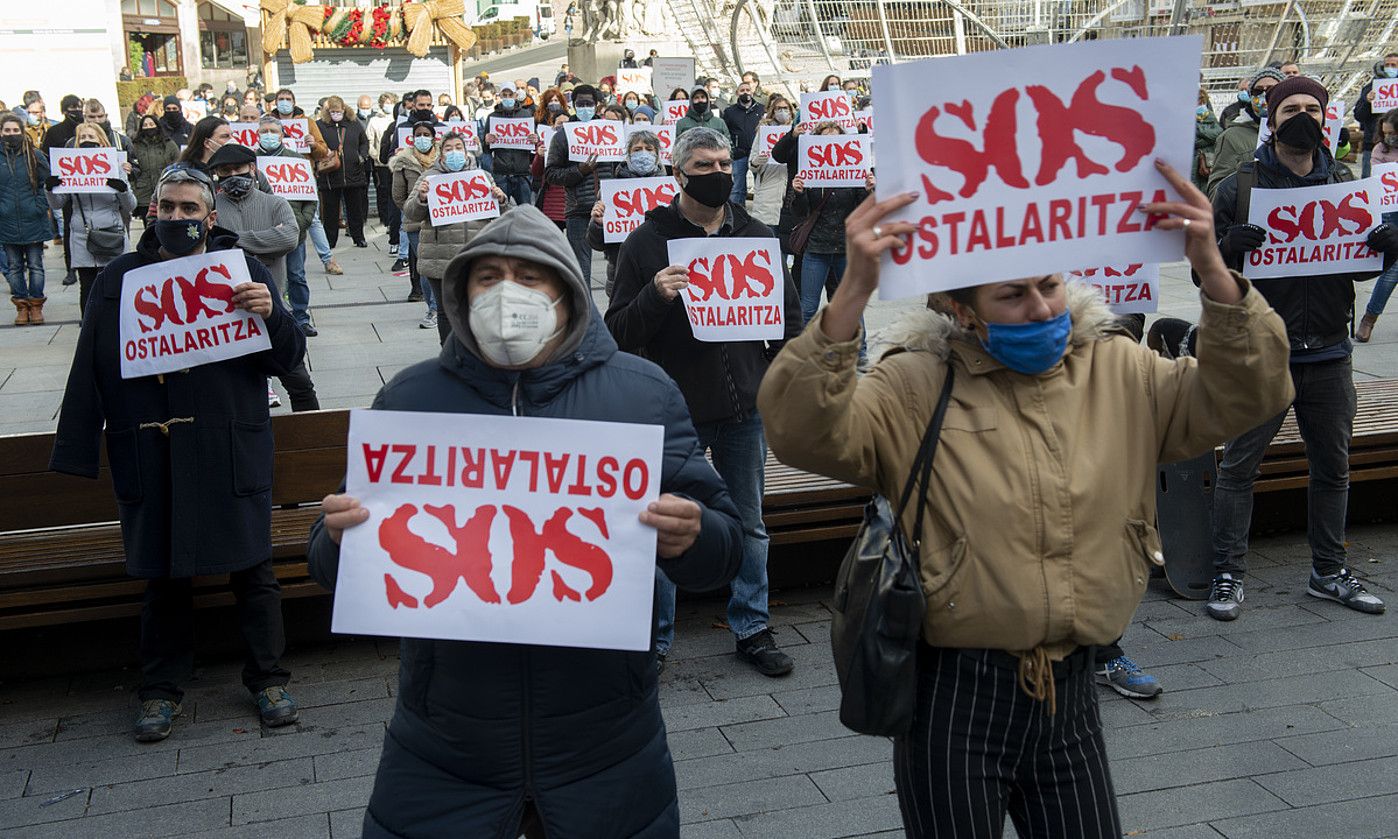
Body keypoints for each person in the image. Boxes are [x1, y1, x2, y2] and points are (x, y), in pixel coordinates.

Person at [757, 160, 1292, 838]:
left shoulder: (1119, 368)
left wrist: (1213, 272)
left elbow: (1250, 392)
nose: (1043, 308)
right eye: (1013, 295)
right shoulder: (914, 386)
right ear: (961, 309)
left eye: (1049, 285)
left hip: (1071, 699)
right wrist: (851, 296)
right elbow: (801, 431)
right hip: (953, 700)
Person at [307, 203, 743, 839]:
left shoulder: (642, 392)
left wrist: (695, 533)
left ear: (567, 293)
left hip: (606, 741)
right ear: (460, 293)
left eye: (528, 276)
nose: (506, 294)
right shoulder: (412, 398)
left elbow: (727, 549)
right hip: (445, 744)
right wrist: (340, 538)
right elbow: (330, 564)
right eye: (488, 277)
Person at [50, 166, 306, 743]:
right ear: (151, 213)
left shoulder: (242, 271)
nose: (177, 218)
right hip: (151, 445)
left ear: (209, 218)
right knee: (162, 579)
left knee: (254, 572)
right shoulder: (121, 277)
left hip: (227, 445)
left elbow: (288, 359)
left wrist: (273, 313)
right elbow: (89, 363)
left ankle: (268, 678)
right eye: (167, 207)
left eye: (190, 209)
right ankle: (161, 689)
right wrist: (77, 446)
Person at [606, 127, 802, 676]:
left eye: (723, 163)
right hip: (674, 416)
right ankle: (657, 641)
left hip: (745, 411)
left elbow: (789, 320)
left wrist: (778, 379)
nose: (717, 173)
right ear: (678, 174)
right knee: (662, 524)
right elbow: (616, 330)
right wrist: (655, 295)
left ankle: (752, 626)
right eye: (703, 165)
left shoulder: (757, 234)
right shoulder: (647, 243)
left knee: (750, 523)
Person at [1209, 74, 1394, 621]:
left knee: (1333, 468)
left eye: (1312, 108)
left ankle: (1329, 571)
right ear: (1271, 117)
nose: (1302, 116)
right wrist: (1226, 251)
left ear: (1325, 116)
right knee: (1239, 469)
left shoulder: (1342, 181)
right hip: (1261, 355)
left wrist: (1387, 250)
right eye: (1290, 107)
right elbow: (1206, 279)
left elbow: (1358, 267)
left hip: (1330, 353)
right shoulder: (1238, 186)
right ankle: (1226, 574)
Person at [206, 142, 320, 410]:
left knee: (299, 381)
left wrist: (233, 241)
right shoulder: (210, 207)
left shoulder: (275, 203)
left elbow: (289, 237)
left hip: (273, 308)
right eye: (225, 170)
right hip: (227, 313)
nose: (233, 174)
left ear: (253, 169)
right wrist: (265, 242)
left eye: (239, 168)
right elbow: (210, 247)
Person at [403, 133, 512, 341]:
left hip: (475, 256)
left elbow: (507, 216)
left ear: (466, 151)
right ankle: (450, 357)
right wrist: (422, 198)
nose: (454, 152)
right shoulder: (428, 178)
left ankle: (475, 355)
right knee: (446, 313)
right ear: (441, 154)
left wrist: (501, 200)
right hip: (440, 256)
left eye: (458, 147)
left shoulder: (482, 177)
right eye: (448, 148)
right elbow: (411, 213)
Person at [45, 122, 136, 316]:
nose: (87, 141)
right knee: (87, 287)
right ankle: (89, 326)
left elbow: (131, 205)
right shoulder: (69, 169)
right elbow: (57, 204)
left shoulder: (116, 168)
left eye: (91, 138)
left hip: (112, 232)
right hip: (81, 235)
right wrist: (50, 188)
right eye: (83, 138)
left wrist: (122, 189)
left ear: (101, 141)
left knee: (114, 286)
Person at [789, 121, 871, 326]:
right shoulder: (809, 172)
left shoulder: (855, 172)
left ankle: (859, 355)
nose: (831, 145)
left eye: (836, 140)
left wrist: (870, 190)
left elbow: (866, 211)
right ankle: (803, 353)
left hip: (846, 249)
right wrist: (798, 193)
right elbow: (800, 212)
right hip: (816, 249)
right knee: (808, 307)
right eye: (825, 141)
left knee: (851, 305)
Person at [545, 84, 616, 283]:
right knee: (581, 272)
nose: (585, 107)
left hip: (608, 208)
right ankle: (585, 313)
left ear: (597, 105)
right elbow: (551, 173)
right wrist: (580, 170)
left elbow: (620, 166)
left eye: (589, 103)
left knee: (617, 267)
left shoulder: (610, 132)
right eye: (581, 104)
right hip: (577, 210)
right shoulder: (563, 135)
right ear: (573, 105)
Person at [256, 116, 320, 336]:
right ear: (258, 135)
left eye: (273, 131)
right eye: (264, 131)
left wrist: (302, 222)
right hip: (264, 231)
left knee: (296, 275)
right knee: (268, 277)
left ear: (282, 135)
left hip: (294, 231)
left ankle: (301, 318)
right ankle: (276, 317)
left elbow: (311, 198)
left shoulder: (296, 160)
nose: (269, 135)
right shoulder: (251, 162)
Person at [586, 128, 665, 296]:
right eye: (637, 150)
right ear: (628, 155)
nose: (643, 154)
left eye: (649, 149)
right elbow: (596, 243)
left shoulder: (671, 191)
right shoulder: (611, 191)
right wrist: (598, 224)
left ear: (657, 155)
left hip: (660, 273)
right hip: (621, 274)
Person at [1, 113, 50, 325]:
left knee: (35, 265)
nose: (11, 134)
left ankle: (36, 305)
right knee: (13, 266)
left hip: (33, 219)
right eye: (7, 130)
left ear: (22, 131)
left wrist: (39, 205)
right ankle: (21, 305)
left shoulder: (35, 155)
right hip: (6, 220)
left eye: (15, 130)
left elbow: (46, 184)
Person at [1208, 68, 1283, 198]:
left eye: (1271, 90)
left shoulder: (1298, 134)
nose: (1264, 96)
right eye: (1257, 91)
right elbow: (1216, 191)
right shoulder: (1231, 137)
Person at [391, 121, 439, 318]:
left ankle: (440, 309)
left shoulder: (443, 159)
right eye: (418, 134)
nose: (422, 138)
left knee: (439, 266)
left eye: (426, 134)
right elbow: (398, 196)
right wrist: (415, 209)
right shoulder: (403, 162)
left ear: (433, 138)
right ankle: (433, 309)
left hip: (441, 222)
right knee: (426, 268)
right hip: (415, 224)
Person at [1359, 109, 1398, 342]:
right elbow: (1377, 181)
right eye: (1386, 133)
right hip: (1392, 211)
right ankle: (1369, 318)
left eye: (1393, 133)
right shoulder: (1380, 150)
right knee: (1392, 270)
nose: (1389, 137)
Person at [315, 96, 371, 249]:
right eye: (332, 112)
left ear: (344, 109)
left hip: (354, 173)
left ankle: (358, 237)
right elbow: (316, 145)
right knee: (331, 211)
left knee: (355, 209)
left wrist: (362, 156)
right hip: (330, 175)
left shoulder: (353, 124)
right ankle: (330, 240)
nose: (336, 114)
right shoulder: (320, 125)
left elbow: (364, 142)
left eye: (338, 111)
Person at [482, 83, 537, 208]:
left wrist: (535, 139)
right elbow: (485, 149)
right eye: (504, 95)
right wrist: (486, 140)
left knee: (526, 212)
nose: (507, 97)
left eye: (510, 95)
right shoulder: (492, 117)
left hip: (522, 173)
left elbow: (534, 144)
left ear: (515, 95)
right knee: (502, 211)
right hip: (501, 174)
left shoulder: (526, 115)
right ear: (500, 96)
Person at [748, 95, 792, 230]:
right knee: (768, 232)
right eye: (778, 108)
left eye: (785, 108)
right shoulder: (763, 132)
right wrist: (756, 162)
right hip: (768, 188)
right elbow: (752, 164)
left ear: (790, 111)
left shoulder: (797, 132)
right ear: (773, 111)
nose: (782, 112)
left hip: (789, 190)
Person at [129, 114, 178, 226]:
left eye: (151, 124)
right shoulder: (135, 146)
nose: (148, 127)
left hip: (166, 190)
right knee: (149, 227)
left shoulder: (169, 144)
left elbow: (178, 163)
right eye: (145, 125)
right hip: (144, 194)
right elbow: (132, 168)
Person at [1354, 54, 1398, 179]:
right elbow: (1359, 115)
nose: (1389, 68)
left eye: (1393, 65)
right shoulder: (1371, 87)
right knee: (1371, 182)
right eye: (1387, 65)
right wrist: (1367, 102)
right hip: (1373, 144)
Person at [722, 80, 763, 206]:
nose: (745, 92)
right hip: (739, 154)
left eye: (748, 90)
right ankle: (737, 214)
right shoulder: (730, 112)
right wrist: (732, 149)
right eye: (742, 90)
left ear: (752, 92)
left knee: (761, 185)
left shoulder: (761, 109)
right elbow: (725, 132)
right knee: (738, 188)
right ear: (737, 93)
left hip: (757, 153)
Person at [1193, 88, 1224, 192]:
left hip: (1208, 163)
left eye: (1202, 100)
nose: (1199, 103)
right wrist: (1207, 137)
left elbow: (1218, 133)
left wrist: (1199, 130)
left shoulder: (1210, 116)